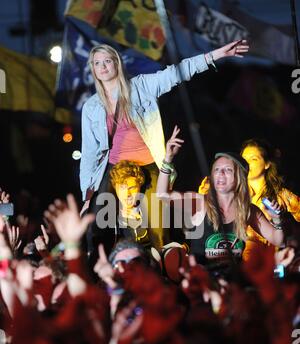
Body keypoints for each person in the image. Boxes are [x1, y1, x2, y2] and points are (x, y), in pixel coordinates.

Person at [80, 40, 249, 259]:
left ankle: (161, 270)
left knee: (157, 227)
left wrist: (213, 56)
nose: (103, 67)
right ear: (93, 69)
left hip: (149, 164)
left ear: (117, 64)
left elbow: (177, 73)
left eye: (107, 61)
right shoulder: (91, 107)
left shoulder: (142, 86)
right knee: (95, 223)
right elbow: (90, 154)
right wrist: (87, 196)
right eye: (97, 63)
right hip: (115, 168)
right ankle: (98, 269)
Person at [156, 127, 285, 266]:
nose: (220, 173)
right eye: (216, 169)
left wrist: (277, 220)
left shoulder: (248, 210)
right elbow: (162, 195)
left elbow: (278, 240)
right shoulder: (200, 203)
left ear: (239, 178)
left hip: (232, 282)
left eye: (227, 170)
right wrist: (168, 160)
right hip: (203, 282)